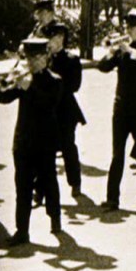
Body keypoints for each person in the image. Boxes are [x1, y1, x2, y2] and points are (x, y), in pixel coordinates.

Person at [0, 37, 63, 245]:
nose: (33, 62)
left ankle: (55, 218)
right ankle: (22, 230)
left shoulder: (54, 80)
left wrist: (30, 87)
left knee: (49, 181)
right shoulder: (24, 78)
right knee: (22, 187)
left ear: (46, 57)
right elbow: (4, 98)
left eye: (37, 58)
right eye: (29, 58)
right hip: (24, 141)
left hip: (45, 143)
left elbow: (49, 103)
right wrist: (2, 82)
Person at [98, 9, 136, 211]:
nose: (128, 31)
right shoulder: (122, 51)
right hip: (121, 106)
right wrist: (111, 52)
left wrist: (130, 51)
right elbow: (102, 67)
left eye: (131, 28)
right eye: (127, 28)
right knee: (117, 153)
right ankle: (112, 198)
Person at [43, 21, 87, 197]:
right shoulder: (44, 59)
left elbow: (74, 86)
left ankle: (75, 183)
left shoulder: (71, 59)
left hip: (66, 111)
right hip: (47, 111)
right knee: (45, 151)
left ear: (61, 38)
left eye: (51, 38)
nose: (48, 42)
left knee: (68, 148)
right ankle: (41, 190)